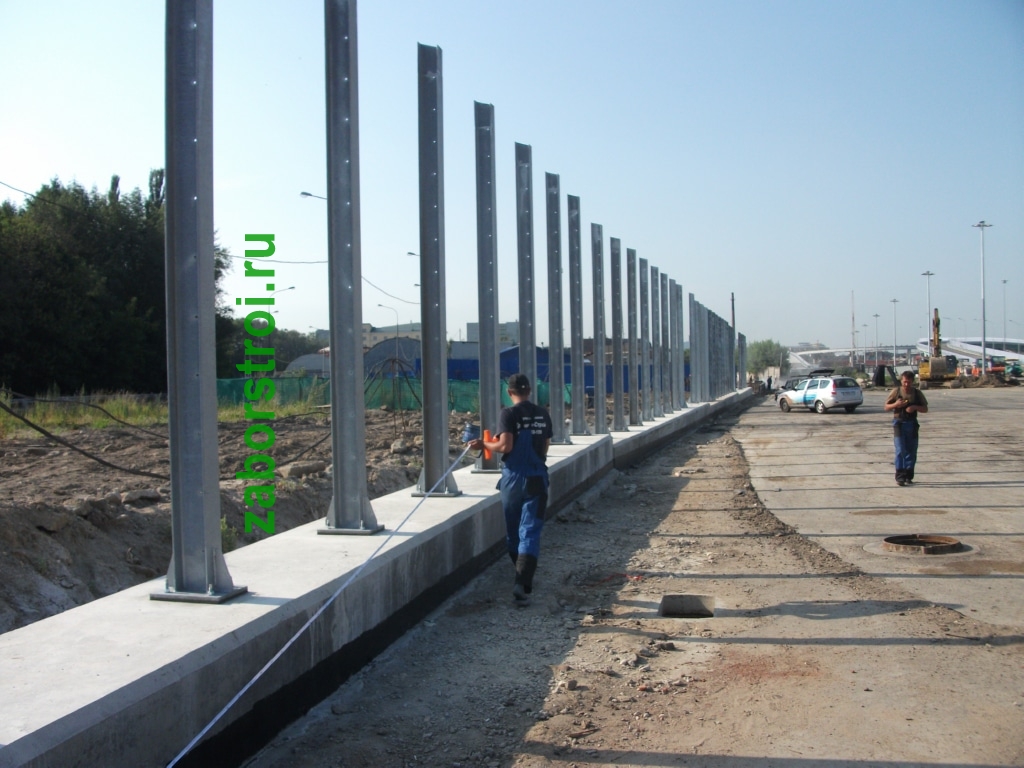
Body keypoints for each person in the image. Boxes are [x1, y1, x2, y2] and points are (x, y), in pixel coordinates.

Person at [469, 373, 553, 603]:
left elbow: (505, 445)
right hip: (536, 478)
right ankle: (522, 582)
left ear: (509, 392)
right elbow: (545, 446)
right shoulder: (543, 414)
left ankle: (519, 573)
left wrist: (483, 444)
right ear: (530, 391)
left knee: (513, 531)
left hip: (512, 479)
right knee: (530, 530)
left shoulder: (508, 414)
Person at [884, 371, 929, 486]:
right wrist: (896, 405)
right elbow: (886, 407)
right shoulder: (896, 392)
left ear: (912, 381)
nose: (906, 384)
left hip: (912, 423)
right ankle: (900, 476)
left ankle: (908, 475)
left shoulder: (917, 393)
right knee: (900, 450)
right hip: (899, 423)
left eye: (909, 382)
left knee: (911, 451)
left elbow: (925, 409)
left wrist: (914, 407)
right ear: (901, 381)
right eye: (904, 382)